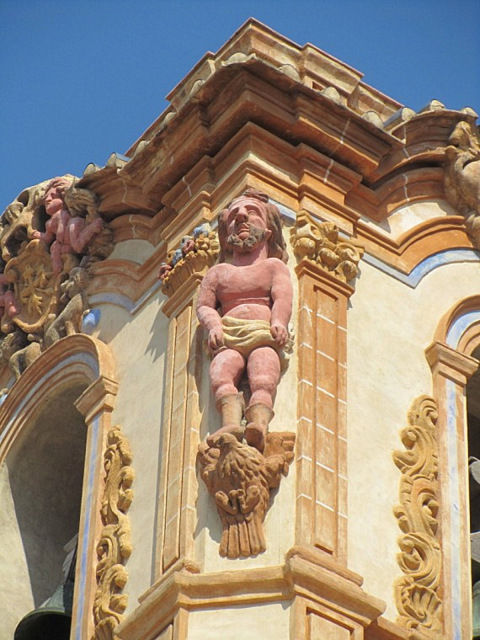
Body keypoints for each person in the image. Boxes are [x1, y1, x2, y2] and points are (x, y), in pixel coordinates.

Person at [196, 188, 293, 452]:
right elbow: (204, 305)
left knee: (264, 372)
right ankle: (230, 422)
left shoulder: (274, 267)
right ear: (227, 236)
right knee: (221, 373)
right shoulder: (218, 273)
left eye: (251, 212)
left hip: (263, 333)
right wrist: (214, 325)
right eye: (234, 216)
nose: (241, 217)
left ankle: (259, 424)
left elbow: (282, 297)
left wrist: (279, 322)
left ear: (269, 231)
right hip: (228, 336)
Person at [32, 177, 103, 274]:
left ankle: (92, 228)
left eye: (53, 196)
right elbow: (48, 237)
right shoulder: (49, 223)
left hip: (74, 231)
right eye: (46, 199)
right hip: (66, 243)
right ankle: (58, 267)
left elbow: (64, 222)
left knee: (74, 229)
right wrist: (38, 235)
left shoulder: (63, 213)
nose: (48, 200)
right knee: (54, 247)